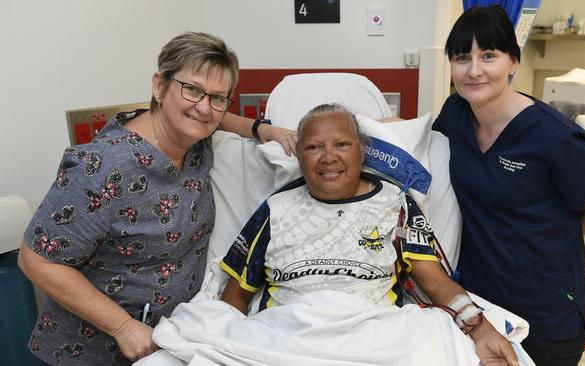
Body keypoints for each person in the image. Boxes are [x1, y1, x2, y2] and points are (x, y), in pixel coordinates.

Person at [17, 31, 294, 365]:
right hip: (94, 351)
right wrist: (122, 327)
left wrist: (260, 129)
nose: (204, 107)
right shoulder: (103, 166)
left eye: (218, 97)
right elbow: (36, 260)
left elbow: (213, 117)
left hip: (169, 340)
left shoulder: (193, 142)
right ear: (159, 86)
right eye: (192, 89)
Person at [220, 103, 520, 366]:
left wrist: (481, 329)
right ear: (299, 154)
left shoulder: (395, 204)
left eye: (342, 144)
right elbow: (235, 298)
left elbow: (436, 281)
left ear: (361, 149)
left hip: (375, 341)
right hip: (287, 342)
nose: (328, 157)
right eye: (313, 147)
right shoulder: (276, 209)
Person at [432, 6, 585, 365]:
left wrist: (553, 233)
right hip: (480, 306)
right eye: (462, 57)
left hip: (544, 312)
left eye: (488, 55)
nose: (474, 70)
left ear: (514, 62)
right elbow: (405, 134)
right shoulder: (456, 114)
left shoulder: (555, 138)